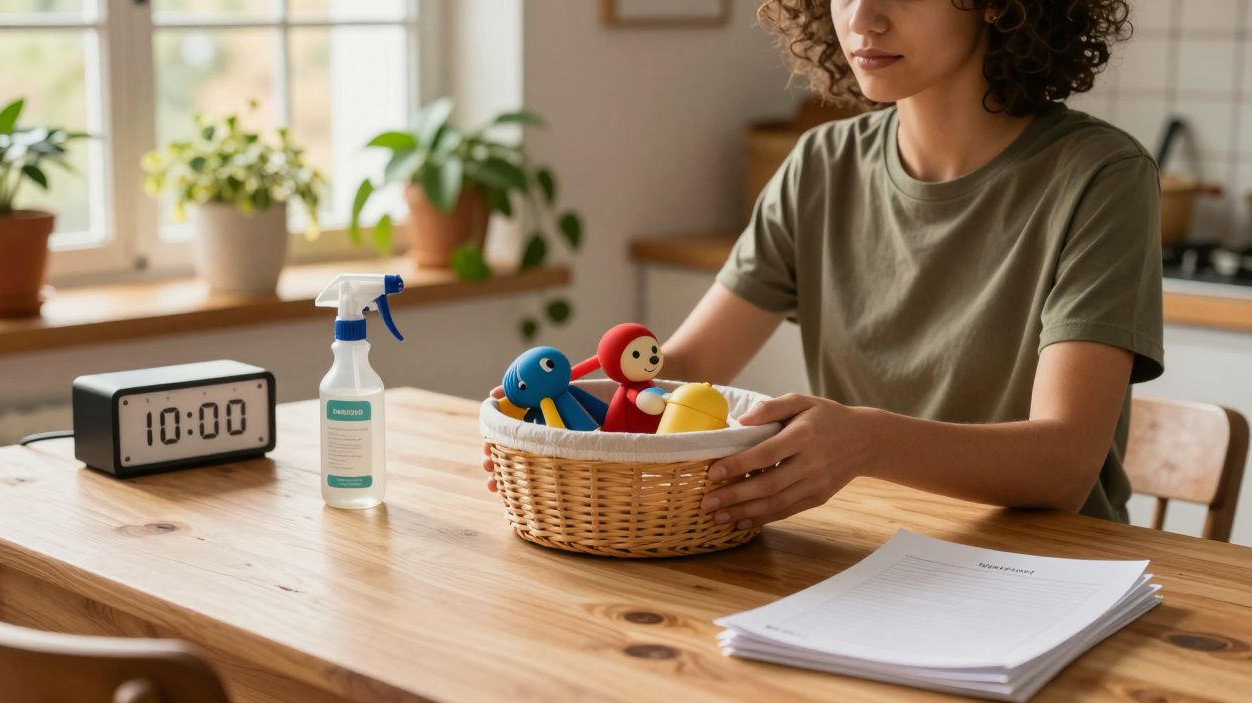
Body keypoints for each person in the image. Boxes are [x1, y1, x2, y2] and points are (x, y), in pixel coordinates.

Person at [485, 0, 1159, 531]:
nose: (861, 17)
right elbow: (680, 372)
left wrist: (866, 441)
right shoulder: (821, 167)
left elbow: (1064, 462)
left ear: (996, 3)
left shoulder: (1101, 177)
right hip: (867, 553)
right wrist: (558, 426)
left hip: (1053, 576)